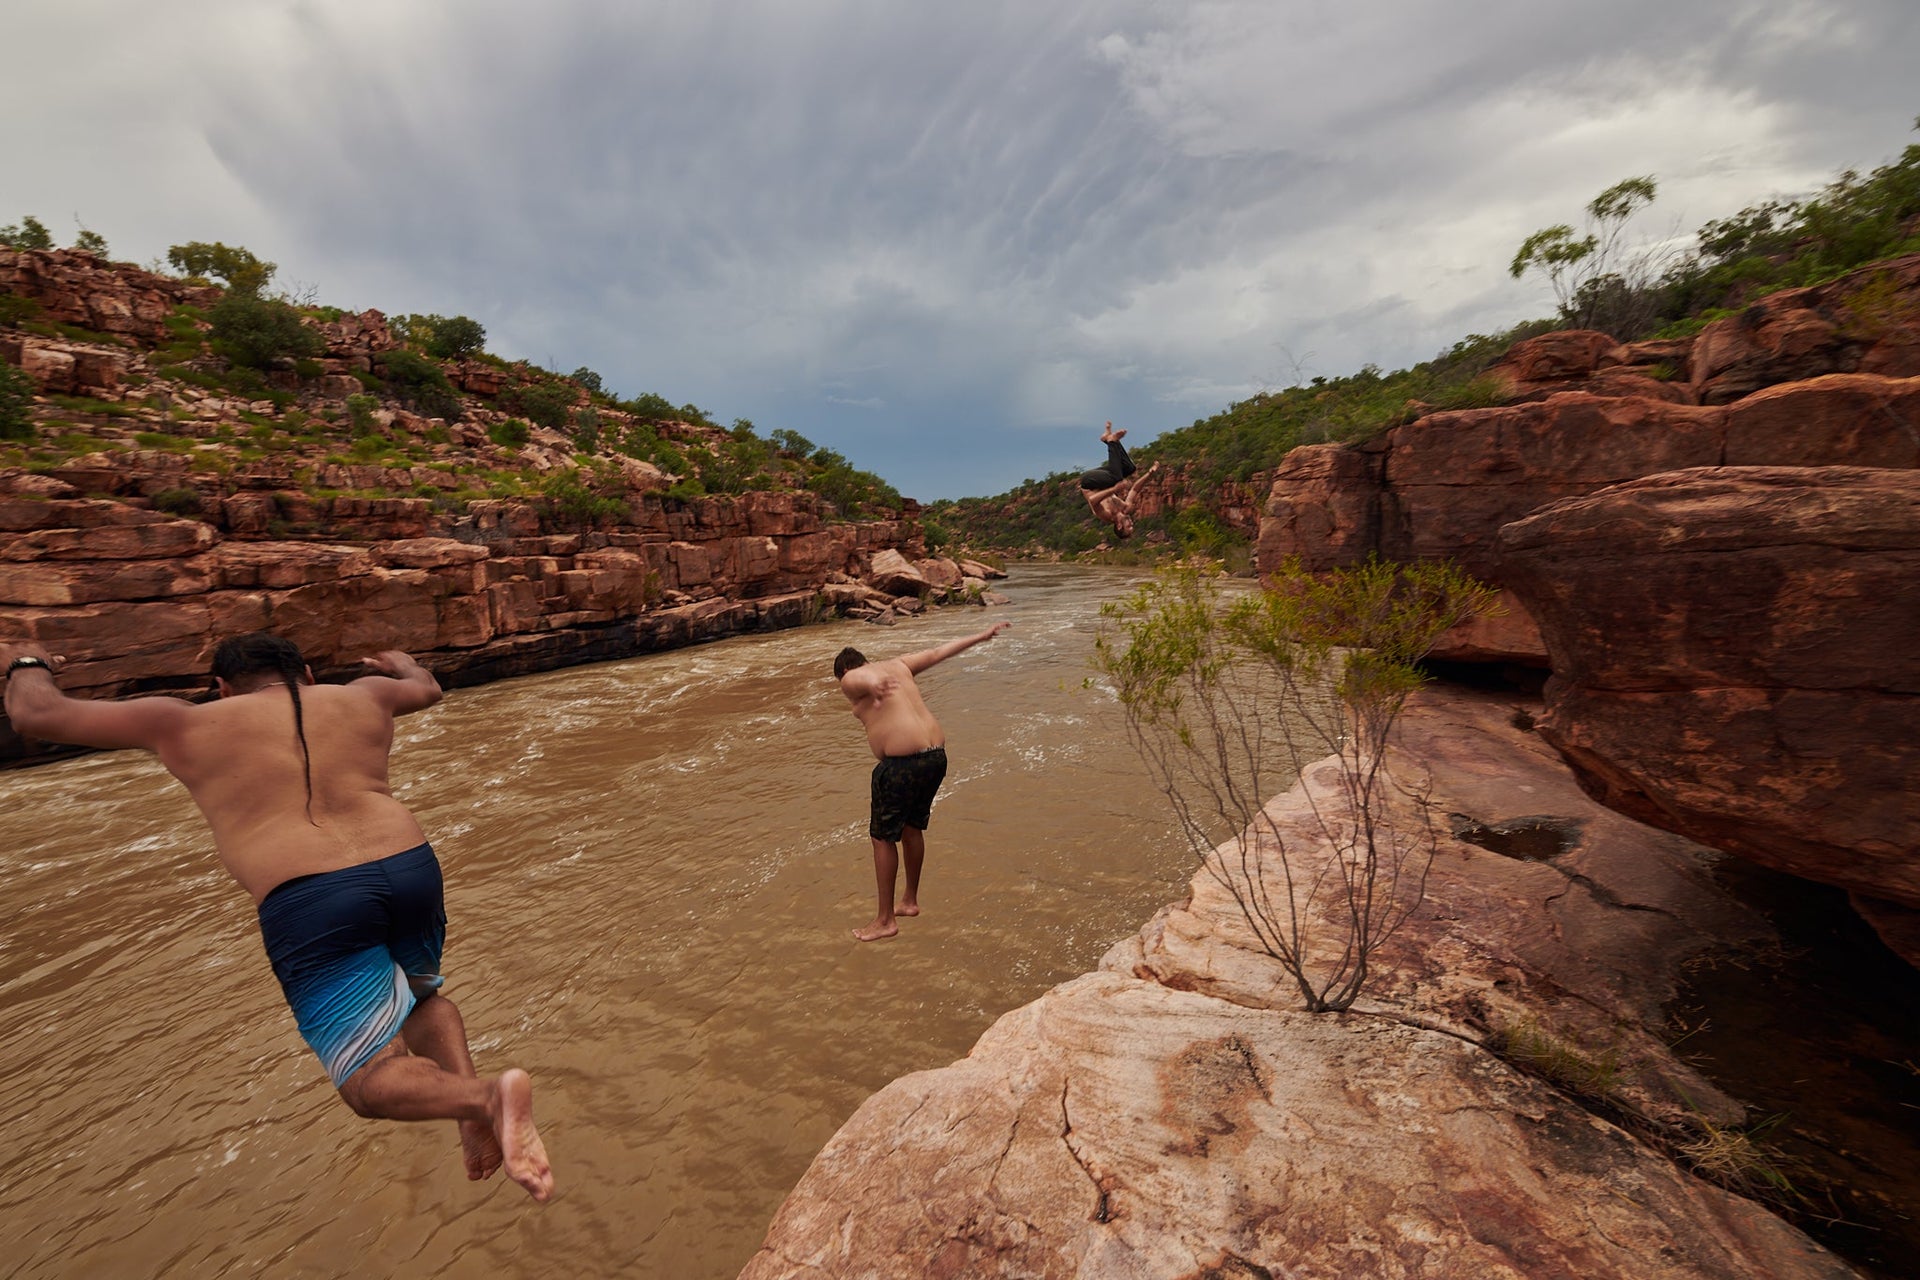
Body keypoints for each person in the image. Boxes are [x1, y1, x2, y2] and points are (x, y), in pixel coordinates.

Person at [0, 633, 555, 1203]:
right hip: (409, 867)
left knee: (367, 1082)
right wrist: (401, 662)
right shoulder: (364, 696)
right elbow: (426, 687)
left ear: (221, 687)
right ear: (307, 675)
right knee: (418, 998)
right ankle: (472, 1112)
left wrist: (25, 661)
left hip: (313, 896)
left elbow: (35, 712)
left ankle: (485, 1099)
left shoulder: (181, 721)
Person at [833, 621, 1009, 942]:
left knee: (882, 838)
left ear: (845, 670)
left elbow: (856, 678)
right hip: (935, 758)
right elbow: (937, 652)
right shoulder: (899, 665)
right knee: (911, 828)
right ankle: (909, 900)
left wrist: (871, 684)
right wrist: (981, 635)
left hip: (902, 765)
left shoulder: (853, 678)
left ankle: (885, 919)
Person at [1079, 420, 1160, 540]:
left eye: (1129, 526)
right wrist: (1149, 474)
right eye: (1132, 526)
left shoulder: (1106, 515)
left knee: (1116, 479)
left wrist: (1114, 489)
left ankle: (1111, 440)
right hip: (1104, 479)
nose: (1132, 523)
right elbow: (1135, 489)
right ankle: (1108, 439)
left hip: (1089, 482)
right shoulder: (1125, 508)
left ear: (1119, 525)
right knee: (1130, 468)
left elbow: (1092, 500)